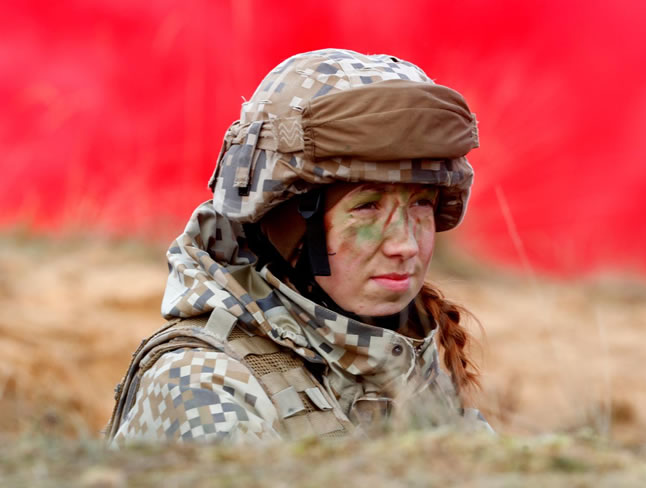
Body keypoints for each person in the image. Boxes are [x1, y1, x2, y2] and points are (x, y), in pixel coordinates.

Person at [106, 48, 492, 444]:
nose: (405, 245)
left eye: (421, 204)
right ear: (288, 223)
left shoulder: (405, 362)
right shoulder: (203, 386)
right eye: (367, 207)